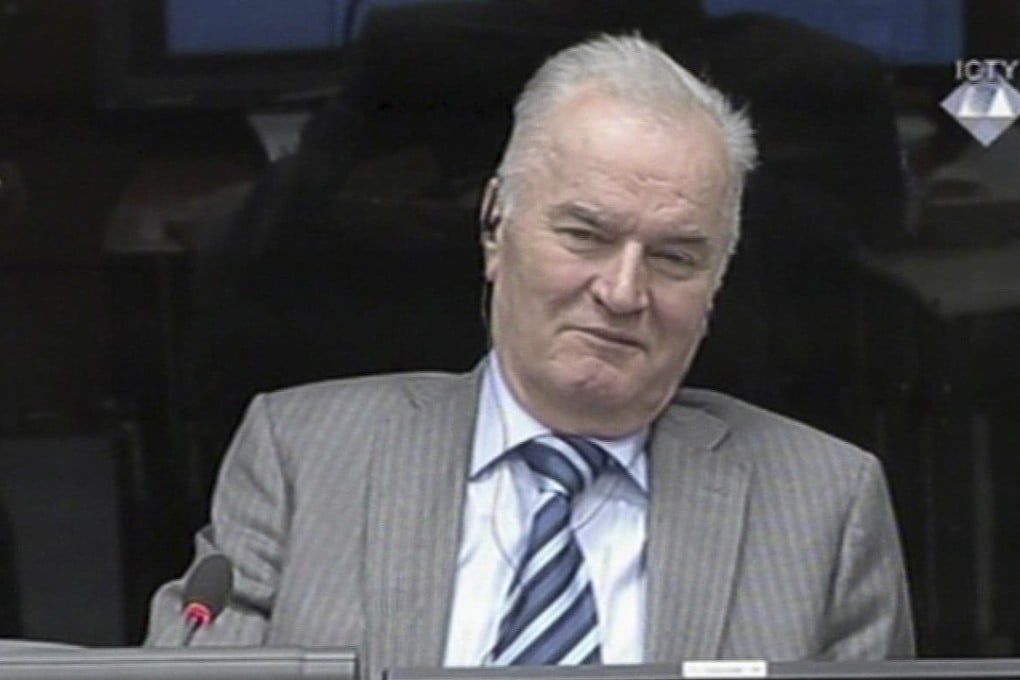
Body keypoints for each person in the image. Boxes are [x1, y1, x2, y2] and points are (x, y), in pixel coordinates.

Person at [146, 35, 914, 675]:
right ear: (494, 225)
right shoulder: (306, 456)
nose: (621, 291)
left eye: (675, 258)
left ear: (718, 281)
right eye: (585, 235)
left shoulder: (823, 506)